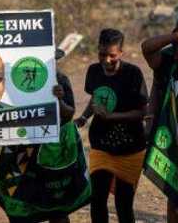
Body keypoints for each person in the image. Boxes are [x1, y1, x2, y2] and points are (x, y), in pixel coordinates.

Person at [0, 50, 89, 223]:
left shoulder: (60, 80)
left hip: (53, 151)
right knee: (20, 204)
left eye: (51, 61)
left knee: (57, 208)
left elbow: (68, 114)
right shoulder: (13, 80)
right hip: (22, 148)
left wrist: (58, 100)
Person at [76, 28, 149, 223]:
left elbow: (143, 111)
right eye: (102, 54)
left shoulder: (133, 73)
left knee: (123, 204)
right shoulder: (93, 71)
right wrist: (84, 117)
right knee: (97, 199)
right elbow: (96, 98)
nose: (106, 60)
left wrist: (113, 116)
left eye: (112, 56)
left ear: (121, 53)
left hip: (130, 147)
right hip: (101, 144)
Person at [142, 13, 178, 222]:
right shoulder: (168, 58)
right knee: (174, 193)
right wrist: (175, 37)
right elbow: (147, 48)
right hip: (174, 133)